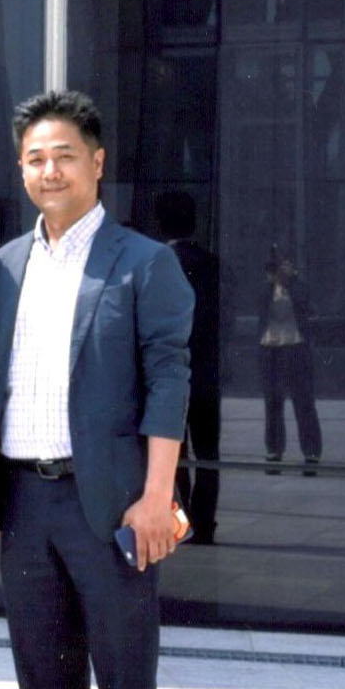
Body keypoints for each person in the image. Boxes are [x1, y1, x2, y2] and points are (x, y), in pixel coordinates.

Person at [0, 89, 192, 689]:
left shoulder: (142, 262)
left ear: (96, 163)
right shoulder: (1, 265)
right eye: (33, 157)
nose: (48, 169)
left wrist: (156, 497)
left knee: (124, 678)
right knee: (43, 676)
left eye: (64, 154)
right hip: (25, 503)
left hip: (110, 507)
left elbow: (170, 381)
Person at [154, 192, 222, 539]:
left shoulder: (158, 263)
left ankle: (182, 524)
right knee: (209, 453)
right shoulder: (212, 263)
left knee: (173, 453)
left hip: (172, 375)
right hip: (208, 373)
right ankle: (205, 523)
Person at [258, 252, 321, 475]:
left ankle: (311, 452)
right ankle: (274, 451)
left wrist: (289, 284)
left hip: (295, 347)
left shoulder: (298, 288)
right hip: (272, 348)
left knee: (303, 402)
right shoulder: (267, 291)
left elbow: (306, 306)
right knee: (273, 403)